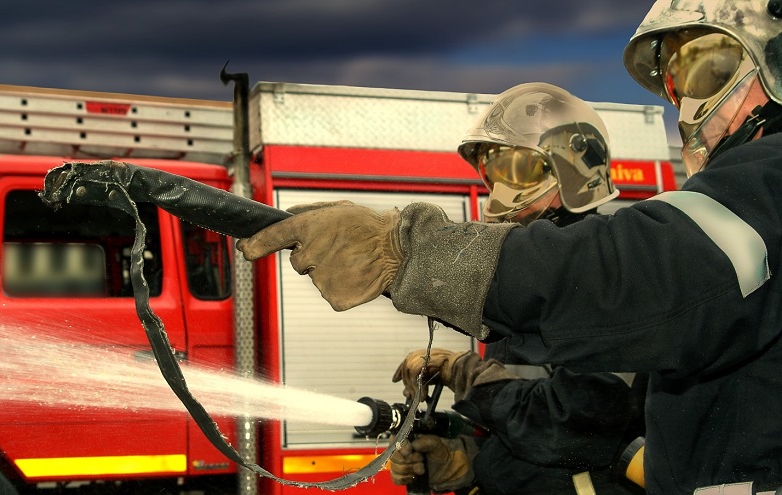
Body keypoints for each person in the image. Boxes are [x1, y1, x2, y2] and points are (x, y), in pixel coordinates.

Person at [236, 2, 782, 492]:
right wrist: (466, 458)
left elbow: (573, 426)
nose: (686, 103)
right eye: (674, 80)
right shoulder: (563, 267)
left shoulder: (735, 201)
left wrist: (405, 255)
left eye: (705, 68)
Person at [386, 83, 646, 495]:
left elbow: (571, 430)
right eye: (493, 171)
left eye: (519, 171)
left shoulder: (610, 272)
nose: (500, 192)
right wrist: (465, 460)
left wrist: (465, 373)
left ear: (574, 172)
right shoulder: (526, 279)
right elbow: (522, 427)